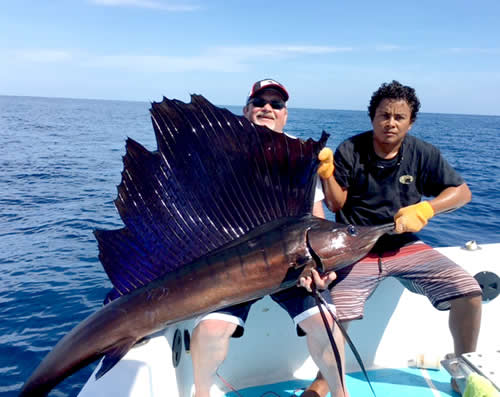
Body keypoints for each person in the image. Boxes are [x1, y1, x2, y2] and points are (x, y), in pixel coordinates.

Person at [304, 80, 483, 397]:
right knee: (337, 314)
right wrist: (328, 176)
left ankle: (460, 365)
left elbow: (462, 193)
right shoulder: (350, 150)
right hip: (358, 248)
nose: (390, 123)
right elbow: (335, 204)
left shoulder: (422, 153)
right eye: (384, 115)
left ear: (410, 121)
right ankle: (323, 378)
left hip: (405, 247)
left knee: (469, 291)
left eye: (399, 117)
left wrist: (428, 207)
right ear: (372, 117)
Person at [190, 79, 341, 397]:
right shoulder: (223, 154)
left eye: (276, 104)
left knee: (327, 325)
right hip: (236, 269)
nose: (267, 108)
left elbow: (315, 217)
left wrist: (320, 264)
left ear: (285, 115)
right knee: (209, 331)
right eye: (259, 102)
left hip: (292, 267)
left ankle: (341, 394)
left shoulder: (300, 156)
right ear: (246, 110)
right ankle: (201, 393)